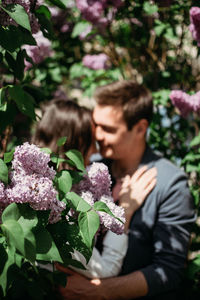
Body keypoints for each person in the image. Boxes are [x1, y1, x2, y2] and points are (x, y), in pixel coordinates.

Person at [58, 80, 196, 300]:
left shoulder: (169, 185)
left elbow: (169, 270)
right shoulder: (92, 169)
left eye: (109, 129)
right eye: (97, 125)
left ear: (140, 128)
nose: (98, 135)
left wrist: (98, 292)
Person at [32, 98, 157, 279]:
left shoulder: (35, 184)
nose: (95, 149)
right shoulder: (56, 210)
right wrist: (125, 211)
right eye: (91, 140)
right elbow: (105, 269)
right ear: (76, 143)